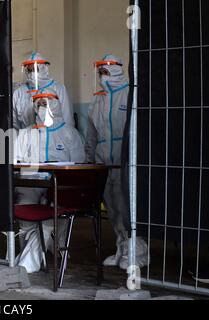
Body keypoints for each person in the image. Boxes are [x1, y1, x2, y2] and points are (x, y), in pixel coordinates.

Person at [85, 54, 149, 270]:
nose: (102, 77)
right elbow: (91, 135)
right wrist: (90, 160)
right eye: (100, 73)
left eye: (105, 72)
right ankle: (121, 248)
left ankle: (139, 253)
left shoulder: (130, 93)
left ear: (116, 71)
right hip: (105, 162)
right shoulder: (98, 99)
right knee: (112, 209)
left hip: (125, 161)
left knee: (128, 207)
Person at [14, 93, 86, 273]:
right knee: (24, 209)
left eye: (45, 103)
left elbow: (79, 164)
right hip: (31, 183)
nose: (41, 107)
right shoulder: (25, 133)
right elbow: (15, 161)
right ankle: (40, 249)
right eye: (38, 103)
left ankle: (28, 262)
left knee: (50, 217)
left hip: (61, 187)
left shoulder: (69, 133)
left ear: (55, 105)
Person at [13, 52, 75, 131]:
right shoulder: (19, 93)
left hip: (55, 138)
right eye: (29, 70)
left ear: (44, 68)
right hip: (27, 139)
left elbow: (67, 118)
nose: (32, 73)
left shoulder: (58, 89)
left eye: (35, 69)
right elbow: (14, 124)